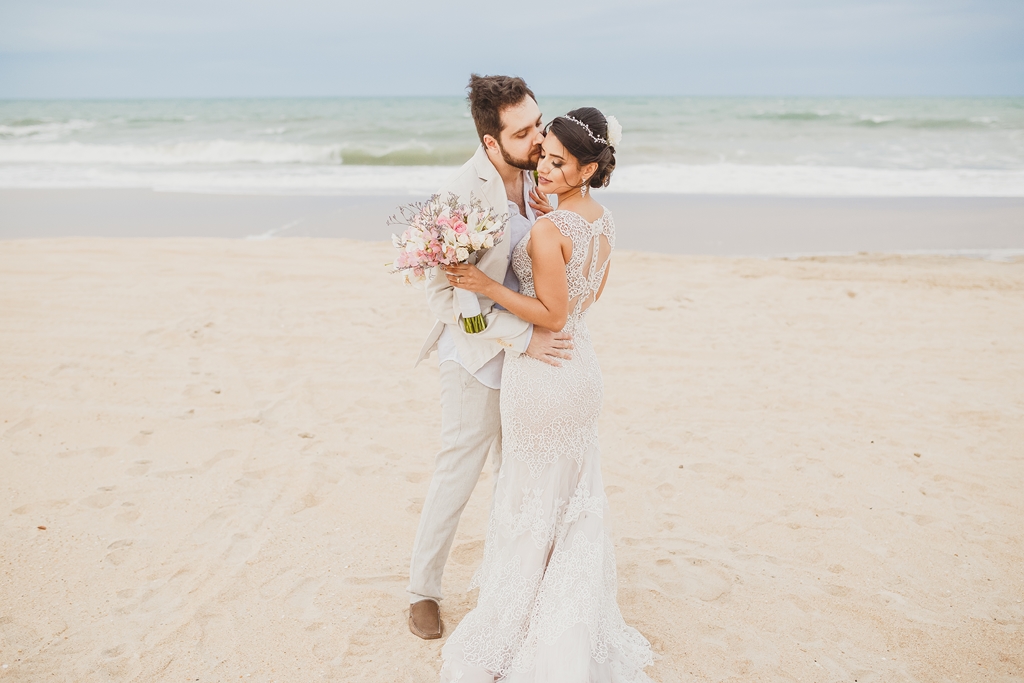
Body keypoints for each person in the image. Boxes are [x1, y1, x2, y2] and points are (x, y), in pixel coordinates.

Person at [440, 107, 654, 682]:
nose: (546, 167)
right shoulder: (601, 221)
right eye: (544, 155)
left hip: (542, 375)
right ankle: (568, 617)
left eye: (559, 163)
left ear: (587, 169)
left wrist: (486, 285)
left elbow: (553, 314)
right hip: (581, 371)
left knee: (531, 499)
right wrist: (547, 219)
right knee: (570, 500)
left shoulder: (546, 228)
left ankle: (525, 623)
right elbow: (584, 304)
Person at [407, 74, 575, 640]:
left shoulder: (540, 176)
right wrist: (520, 335)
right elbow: (449, 302)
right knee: (458, 473)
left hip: (530, 360)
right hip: (476, 357)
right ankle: (423, 591)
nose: (538, 139)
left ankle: (512, 583)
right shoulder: (461, 196)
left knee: (518, 475)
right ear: (489, 142)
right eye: (523, 131)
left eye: (538, 122)